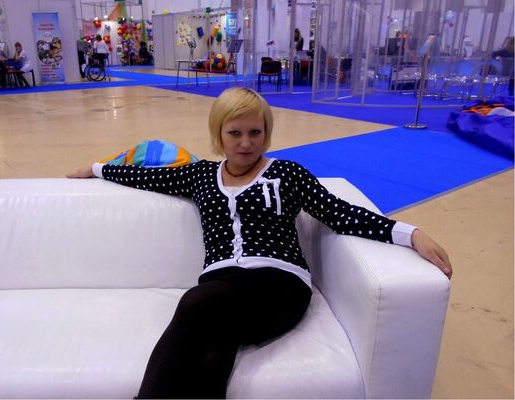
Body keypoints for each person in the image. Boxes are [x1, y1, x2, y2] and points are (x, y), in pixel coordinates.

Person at [67, 87, 452, 398]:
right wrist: (97, 169)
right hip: (221, 287)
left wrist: (409, 234)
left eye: (255, 132)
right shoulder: (199, 175)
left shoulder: (287, 173)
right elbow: (147, 177)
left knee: (201, 304)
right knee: (215, 346)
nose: (246, 143)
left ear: (266, 133)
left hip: (279, 286)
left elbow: (337, 211)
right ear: (218, 134)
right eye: (235, 133)